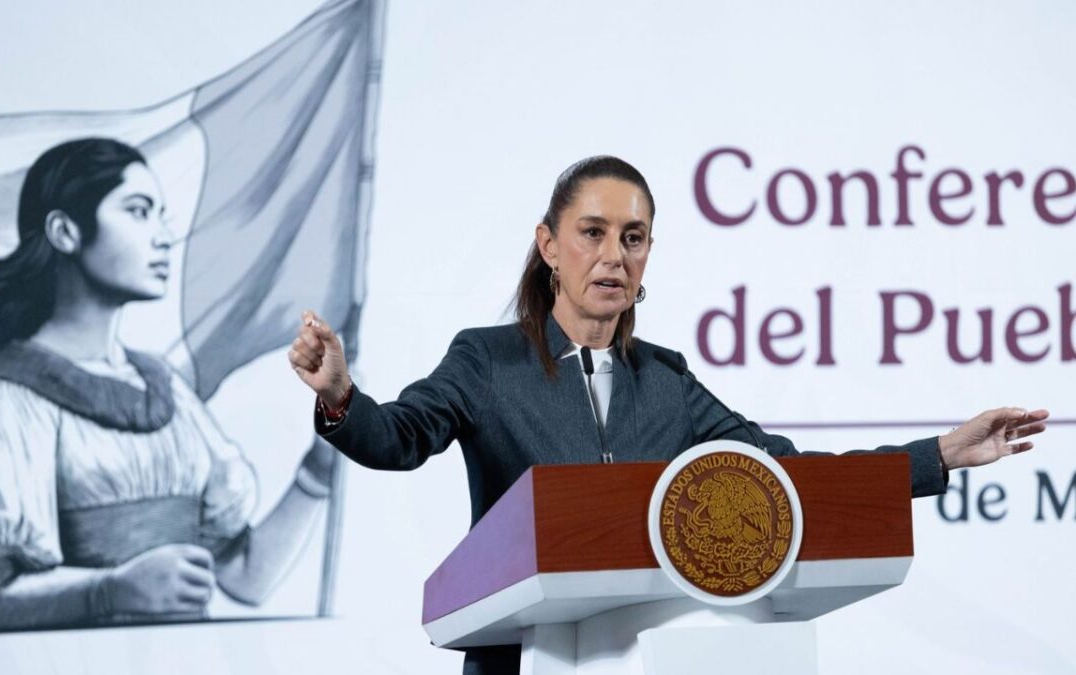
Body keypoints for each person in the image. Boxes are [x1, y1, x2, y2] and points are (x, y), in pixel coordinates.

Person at [288, 155, 1048, 675]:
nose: (614, 254)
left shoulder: (669, 383)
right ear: (550, 245)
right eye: (593, 233)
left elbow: (781, 476)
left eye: (634, 236)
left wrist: (939, 454)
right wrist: (339, 396)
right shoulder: (489, 360)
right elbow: (400, 436)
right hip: (519, 659)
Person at [0, 138, 333, 636]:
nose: (164, 236)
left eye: (161, 214)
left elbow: (246, 576)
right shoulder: (3, 396)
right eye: (139, 211)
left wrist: (322, 467)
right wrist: (109, 591)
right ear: (65, 231)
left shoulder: (167, 393)